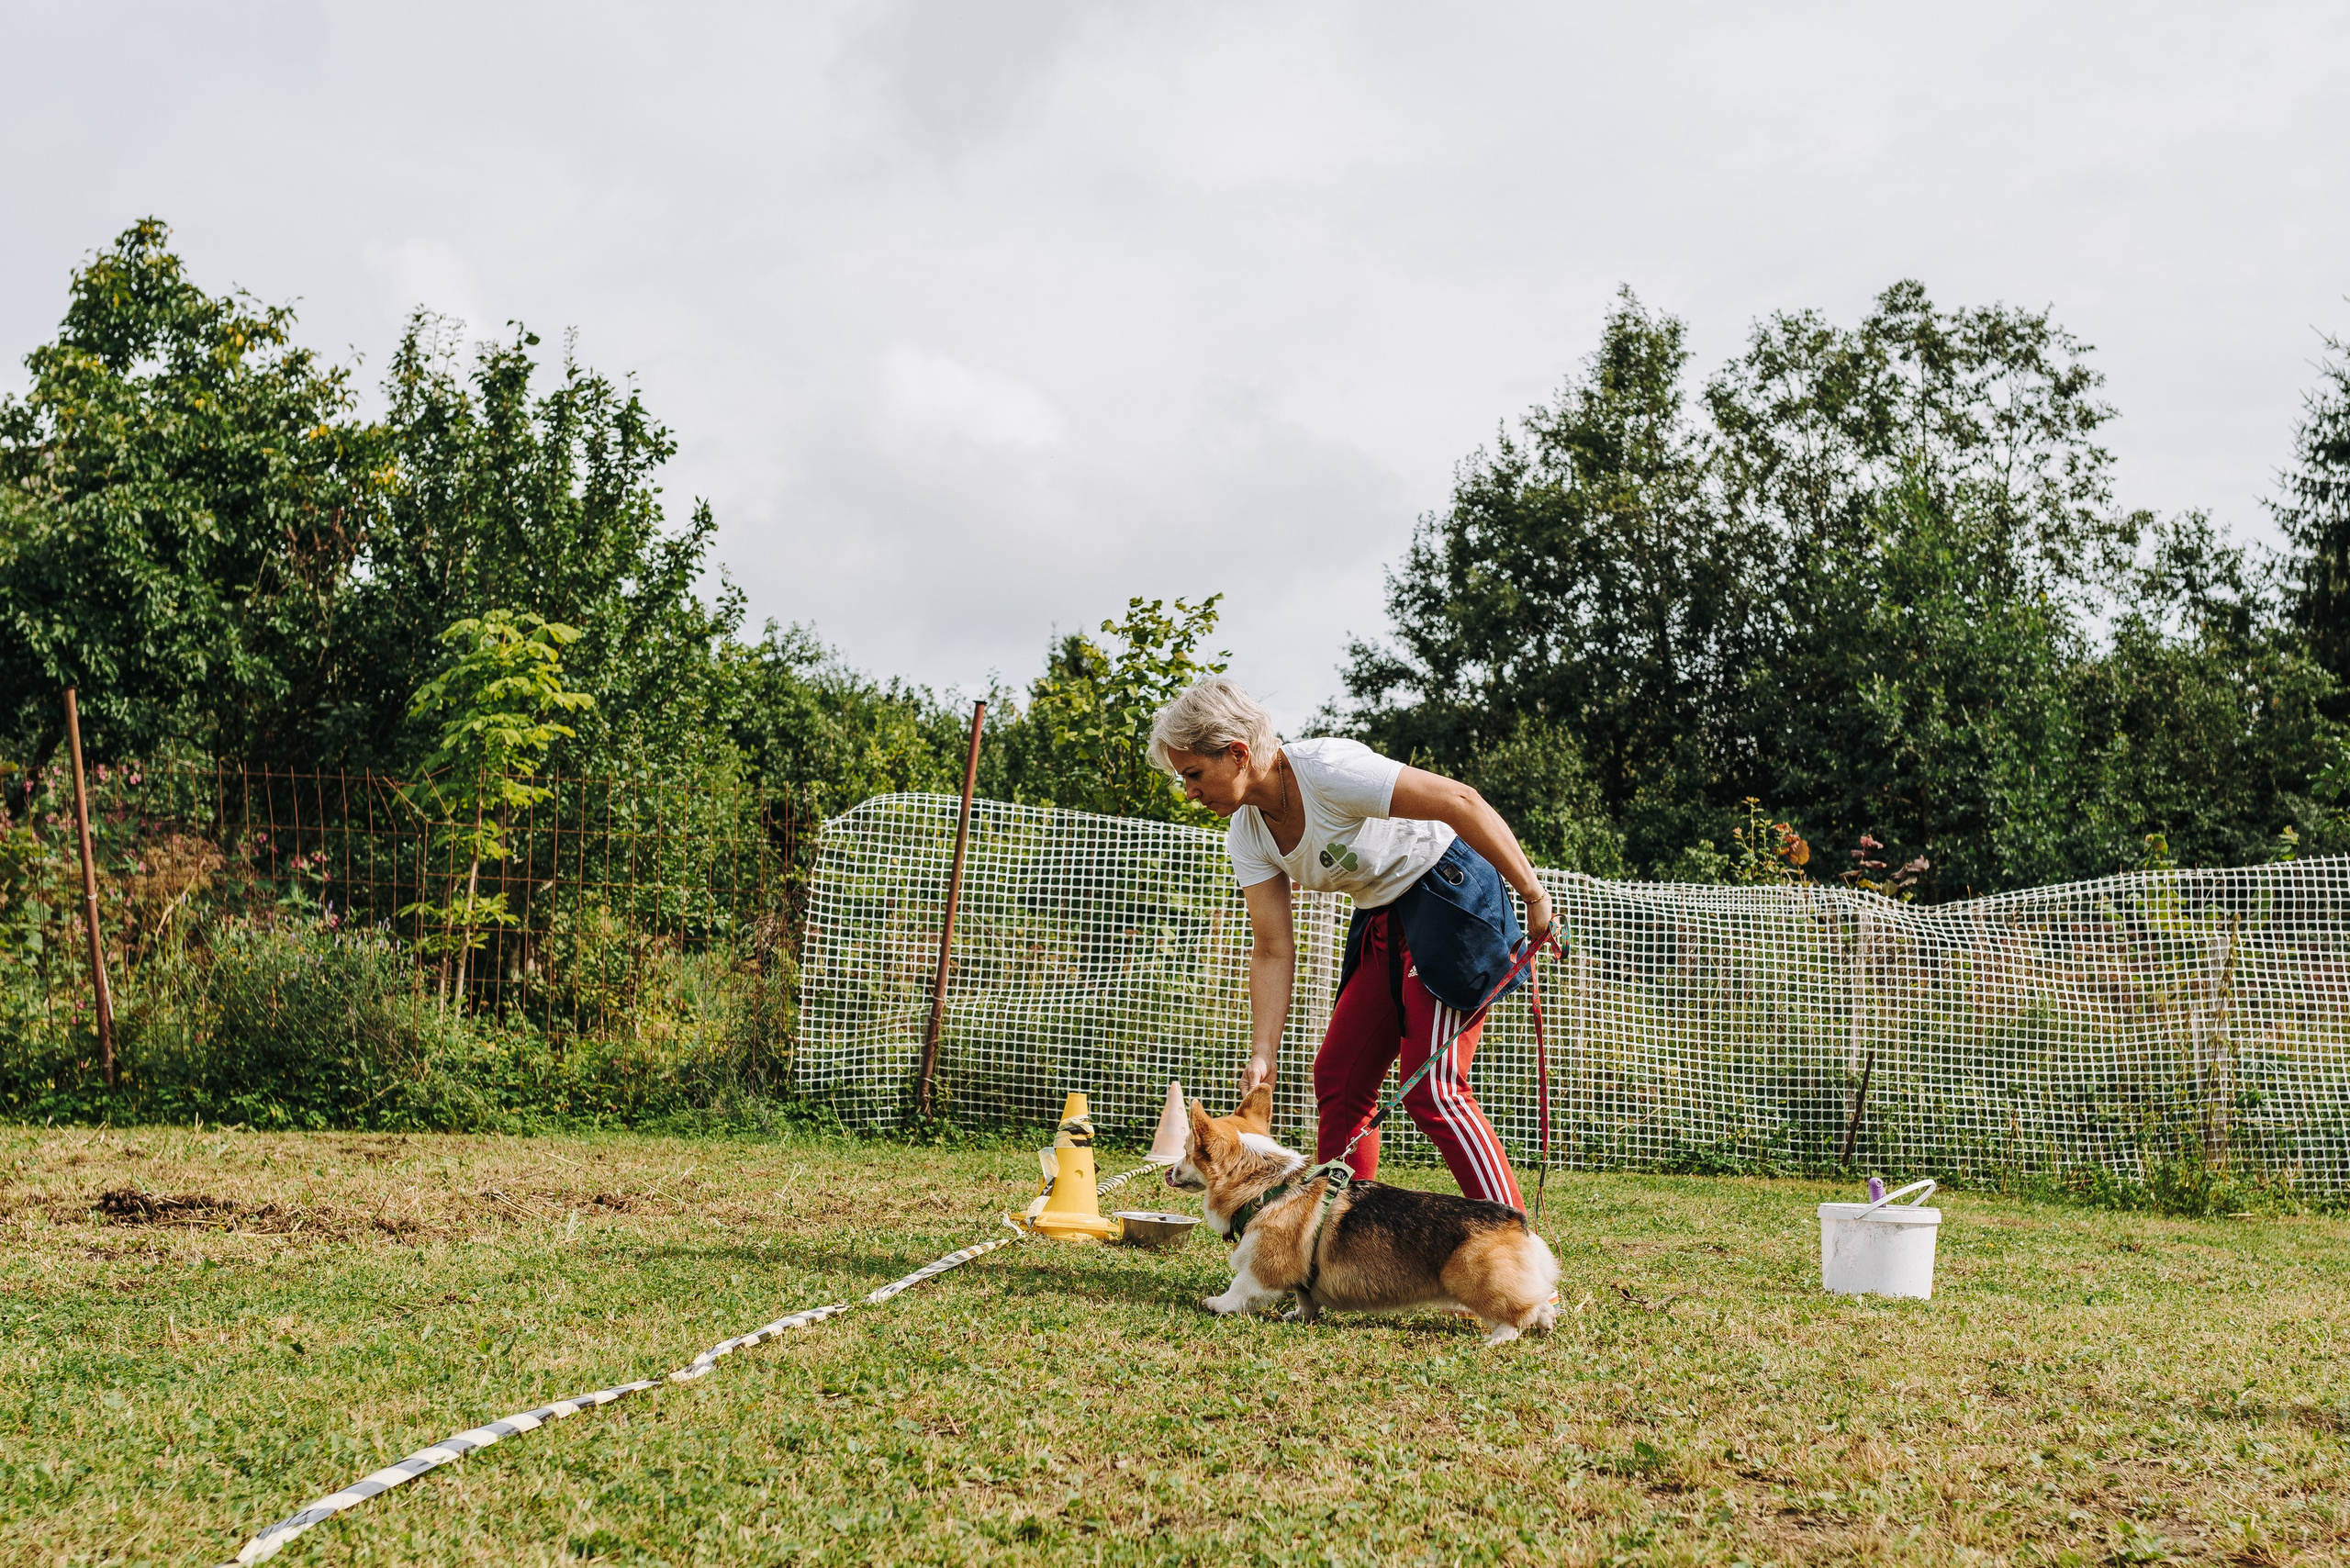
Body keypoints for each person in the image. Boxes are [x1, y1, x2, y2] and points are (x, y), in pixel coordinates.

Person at [1147, 678, 1554, 1210]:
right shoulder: (1246, 832)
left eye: (1195, 774)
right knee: (1339, 1075)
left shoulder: (1328, 770)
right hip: (1382, 913)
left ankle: (1516, 1262)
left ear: (1238, 753)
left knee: (1435, 1091)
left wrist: (1532, 893)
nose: (1190, 791)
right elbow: (1272, 946)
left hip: (1449, 896)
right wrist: (1262, 1053)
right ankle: (1330, 1243)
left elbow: (1461, 800)